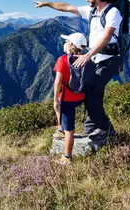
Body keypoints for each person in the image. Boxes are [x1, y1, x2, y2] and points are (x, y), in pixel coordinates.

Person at [34, 0, 122, 139]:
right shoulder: (92, 12)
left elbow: (107, 36)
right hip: (95, 59)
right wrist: (47, 3)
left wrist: (88, 54)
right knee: (88, 91)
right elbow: (67, 7)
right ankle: (93, 127)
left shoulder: (113, 13)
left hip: (109, 59)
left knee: (93, 91)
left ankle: (105, 129)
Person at [53, 32, 87, 165]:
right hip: (81, 96)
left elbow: (58, 82)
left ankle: (67, 157)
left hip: (67, 98)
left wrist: (55, 100)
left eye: (67, 41)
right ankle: (61, 128)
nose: (65, 43)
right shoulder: (85, 58)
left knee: (70, 130)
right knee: (61, 110)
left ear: (71, 44)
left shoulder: (62, 59)